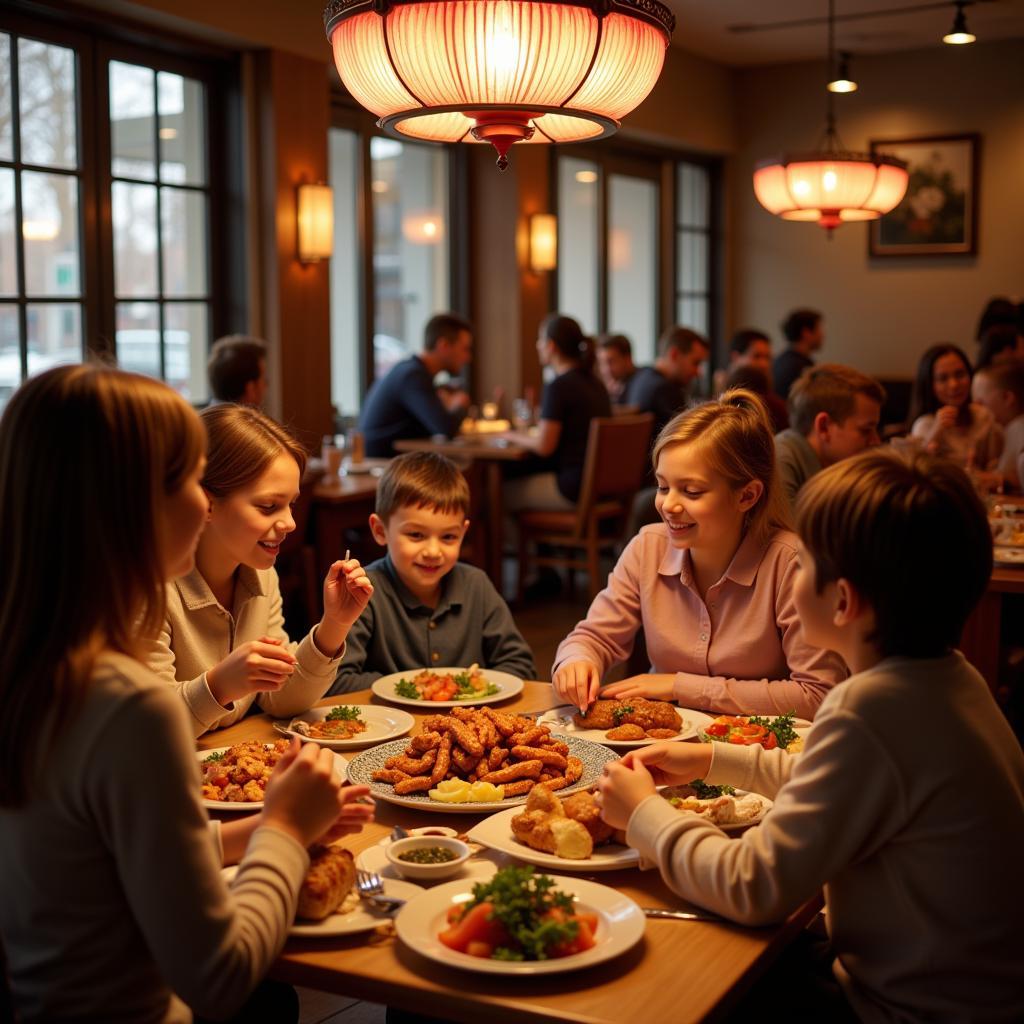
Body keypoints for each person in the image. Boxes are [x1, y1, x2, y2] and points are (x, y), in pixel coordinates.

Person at [596, 448, 1024, 1024]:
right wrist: (712, 758)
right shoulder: (948, 678)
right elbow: (845, 781)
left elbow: (753, 889)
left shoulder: (869, 712)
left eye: (806, 563)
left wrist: (645, 814)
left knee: (664, 989)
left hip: (903, 1008)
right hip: (970, 992)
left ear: (843, 602)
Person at [0, 365, 374, 1023]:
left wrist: (259, 830)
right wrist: (285, 829)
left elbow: (106, 858)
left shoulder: (37, 666)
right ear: (122, 505)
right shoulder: (127, 708)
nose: (203, 502)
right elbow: (219, 977)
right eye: (186, 479)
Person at [552, 389, 845, 720]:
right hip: (664, 742)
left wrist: (680, 687)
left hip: (755, 752)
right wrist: (577, 660)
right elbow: (594, 636)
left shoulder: (789, 563)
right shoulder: (647, 547)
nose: (668, 505)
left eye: (691, 491)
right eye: (663, 487)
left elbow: (819, 695)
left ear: (747, 496)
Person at [143, 404, 374, 737]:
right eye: (268, 506)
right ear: (205, 503)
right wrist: (219, 685)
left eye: (291, 504)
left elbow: (278, 699)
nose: (291, 523)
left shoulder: (259, 572)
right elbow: (148, 727)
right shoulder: (147, 588)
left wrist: (334, 625)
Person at [329, 452, 535, 693]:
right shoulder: (361, 592)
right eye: (416, 535)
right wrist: (422, 690)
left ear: (463, 532)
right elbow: (337, 681)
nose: (433, 552)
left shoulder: (475, 585)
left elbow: (521, 668)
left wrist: (465, 689)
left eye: (448, 537)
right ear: (380, 530)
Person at [500, 314, 612, 515]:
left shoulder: (559, 386)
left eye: (540, 340)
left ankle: (517, 547)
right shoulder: (596, 384)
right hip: (599, 486)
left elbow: (544, 446)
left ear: (551, 346)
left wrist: (510, 435)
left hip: (572, 488)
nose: (537, 345)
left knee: (497, 493)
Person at [359, 313, 472, 457]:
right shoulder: (412, 376)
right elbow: (445, 428)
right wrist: (460, 404)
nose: (468, 358)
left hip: (395, 460)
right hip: (382, 466)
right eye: (464, 349)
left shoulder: (413, 371)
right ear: (443, 345)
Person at [774, 363, 885, 507]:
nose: (876, 441)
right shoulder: (780, 461)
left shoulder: (835, 463)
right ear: (824, 427)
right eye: (865, 430)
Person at [909, 343, 1001, 468]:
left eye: (960, 375)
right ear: (930, 385)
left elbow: (995, 464)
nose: (954, 385)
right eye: (942, 379)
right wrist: (936, 431)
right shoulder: (924, 425)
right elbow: (916, 469)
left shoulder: (984, 416)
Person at [622, 325, 709, 440]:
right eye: (695, 363)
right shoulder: (665, 390)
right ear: (674, 354)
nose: (698, 372)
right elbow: (689, 439)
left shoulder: (638, 377)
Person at [972, 360, 1024, 490]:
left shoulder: (1019, 430)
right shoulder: (1009, 429)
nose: (976, 408)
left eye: (981, 402)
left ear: (1007, 398)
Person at [773, 308, 823, 400]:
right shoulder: (803, 368)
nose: (822, 335)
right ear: (806, 333)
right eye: (819, 329)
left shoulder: (779, 360)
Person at [207, 333, 269, 406]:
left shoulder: (203, 416)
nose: (266, 385)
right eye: (264, 379)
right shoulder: (249, 417)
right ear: (250, 389)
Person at [596, 333, 636, 403]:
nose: (606, 370)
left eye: (611, 362)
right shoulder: (610, 388)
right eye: (601, 363)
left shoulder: (644, 383)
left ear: (627, 359)